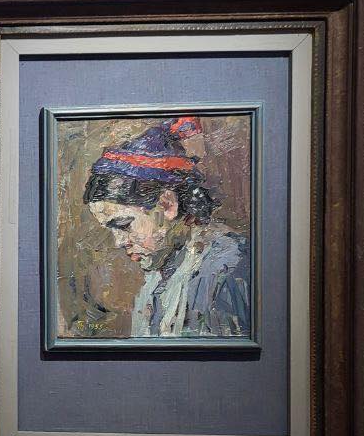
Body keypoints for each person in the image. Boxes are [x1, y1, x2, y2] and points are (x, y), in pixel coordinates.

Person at [82, 115, 251, 338]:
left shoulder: (227, 269)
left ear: (167, 204)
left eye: (124, 225)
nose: (119, 242)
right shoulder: (160, 274)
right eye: (110, 229)